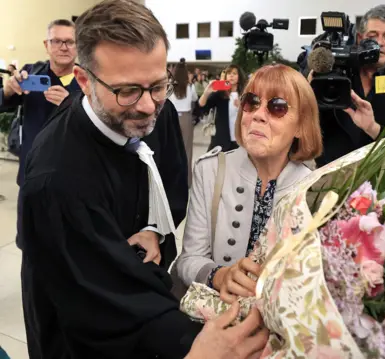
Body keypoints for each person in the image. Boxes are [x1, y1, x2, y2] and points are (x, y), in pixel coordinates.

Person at [19, 1, 266, 358]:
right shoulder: (57, 178)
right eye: (127, 90)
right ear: (84, 80)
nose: (149, 105)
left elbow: (173, 184)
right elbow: (98, 297)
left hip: (144, 295)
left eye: (158, 85)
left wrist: (155, 229)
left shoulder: (146, 108)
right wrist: (194, 346)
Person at [176, 64, 322, 301]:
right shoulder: (211, 170)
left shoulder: (314, 189)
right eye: (251, 102)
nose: (258, 114)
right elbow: (188, 260)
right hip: (214, 321)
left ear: (301, 126)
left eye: (277, 107)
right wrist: (219, 276)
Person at [313, 5, 385, 167]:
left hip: (384, 183)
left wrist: (374, 129)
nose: (380, 43)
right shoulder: (332, 78)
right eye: (372, 36)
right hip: (329, 180)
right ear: (360, 38)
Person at [0, 19, 81, 247]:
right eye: (57, 41)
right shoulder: (30, 73)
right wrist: (7, 90)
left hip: (73, 180)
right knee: (30, 244)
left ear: (77, 46)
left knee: (69, 246)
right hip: (32, 176)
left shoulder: (88, 81)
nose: (63, 47)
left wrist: (72, 104)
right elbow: (4, 103)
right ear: (47, 44)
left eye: (69, 41)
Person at [198, 64, 247, 152]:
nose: (231, 75)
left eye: (234, 73)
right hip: (222, 141)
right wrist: (206, 93)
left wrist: (241, 106)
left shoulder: (245, 94)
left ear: (239, 77)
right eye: (229, 73)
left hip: (240, 140)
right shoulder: (220, 94)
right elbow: (203, 106)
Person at [169, 59, 198, 186]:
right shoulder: (190, 86)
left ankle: (172, 179)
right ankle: (186, 181)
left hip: (172, 117)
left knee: (172, 148)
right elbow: (195, 99)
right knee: (187, 150)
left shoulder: (170, 86)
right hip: (186, 118)